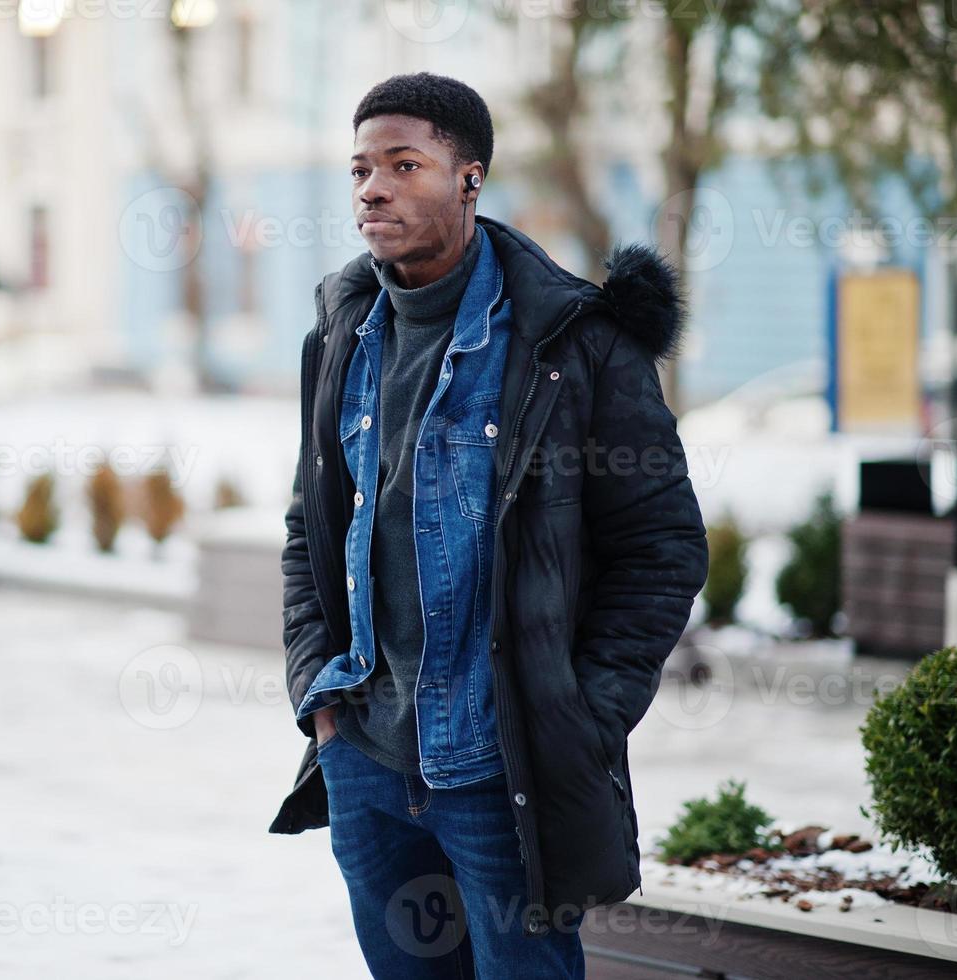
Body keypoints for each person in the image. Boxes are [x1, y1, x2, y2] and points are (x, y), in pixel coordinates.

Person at [268, 72, 709, 978]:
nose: (372, 189)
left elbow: (662, 550)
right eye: (359, 170)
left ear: (469, 179)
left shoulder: (571, 345)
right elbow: (306, 526)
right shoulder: (342, 331)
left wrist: (578, 716)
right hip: (365, 758)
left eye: (403, 164)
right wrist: (319, 696)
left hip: (498, 771)